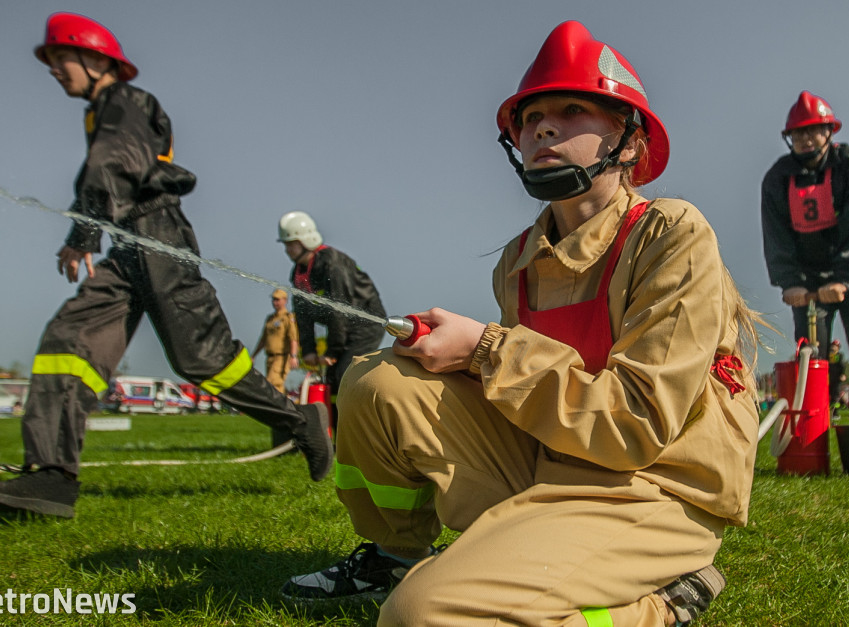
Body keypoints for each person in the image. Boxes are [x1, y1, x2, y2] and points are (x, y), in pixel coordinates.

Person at [282, 21, 761, 627]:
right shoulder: (519, 260)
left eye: (571, 110)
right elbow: (530, 391)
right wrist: (458, 357)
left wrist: (484, 349)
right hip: (556, 464)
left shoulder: (671, 234)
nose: (543, 127)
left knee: (421, 617)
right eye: (530, 118)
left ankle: (663, 604)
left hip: (654, 489)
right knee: (376, 382)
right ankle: (396, 556)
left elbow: (638, 423)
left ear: (631, 144)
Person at [0, 12, 332, 519]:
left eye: (59, 57)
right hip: (130, 247)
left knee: (203, 359)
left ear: (94, 59)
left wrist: (84, 233)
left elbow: (114, 163)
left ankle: (300, 422)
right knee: (70, 342)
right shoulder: (104, 109)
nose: (51, 68)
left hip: (159, 241)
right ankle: (50, 477)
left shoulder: (128, 102)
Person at [761, 90, 849, 425]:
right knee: (812, 358)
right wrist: (791, 283)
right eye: (798, 132)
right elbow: (776, 238)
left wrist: (844, 278)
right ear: (789, 137)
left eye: (814, 130)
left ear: (829, 131)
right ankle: (812, 435)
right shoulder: (777, 178)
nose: (806, 138)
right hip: (807, 283)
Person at [278, 211, 386, 411]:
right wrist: (308, 350)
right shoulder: (299, 272)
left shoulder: (332, 264)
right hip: (342, 328)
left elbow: (340, 309)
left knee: (346, 376)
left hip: (365, 326)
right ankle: (335, 439)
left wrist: (332, 351)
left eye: (291, 244)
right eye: (286, 244)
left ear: (305, 240)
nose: (287, 250)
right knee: (332, 380)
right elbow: (302, 314)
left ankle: (363, 431)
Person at [252, 289, 300, 394]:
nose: (275, 302)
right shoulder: (270, 319)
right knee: (275, 387)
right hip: (270, 358)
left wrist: (293, 356)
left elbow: (293, 338)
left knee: (273, 384)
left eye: (277, 299)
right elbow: (263, 340)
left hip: (282, 358)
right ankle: (282, 408)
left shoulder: (288, 318)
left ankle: (281, 409)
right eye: (273, 299)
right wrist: (253, 355)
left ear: (285, 300)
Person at [828, 339, 848, 419]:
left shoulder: (839, 356)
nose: (833, 347)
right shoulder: (828, 355)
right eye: (832, 346)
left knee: (835, 396)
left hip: (837, 379)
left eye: (835, 346)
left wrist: (843, 374)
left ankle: (835, 413)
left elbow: (842, 365)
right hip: (829, 378)